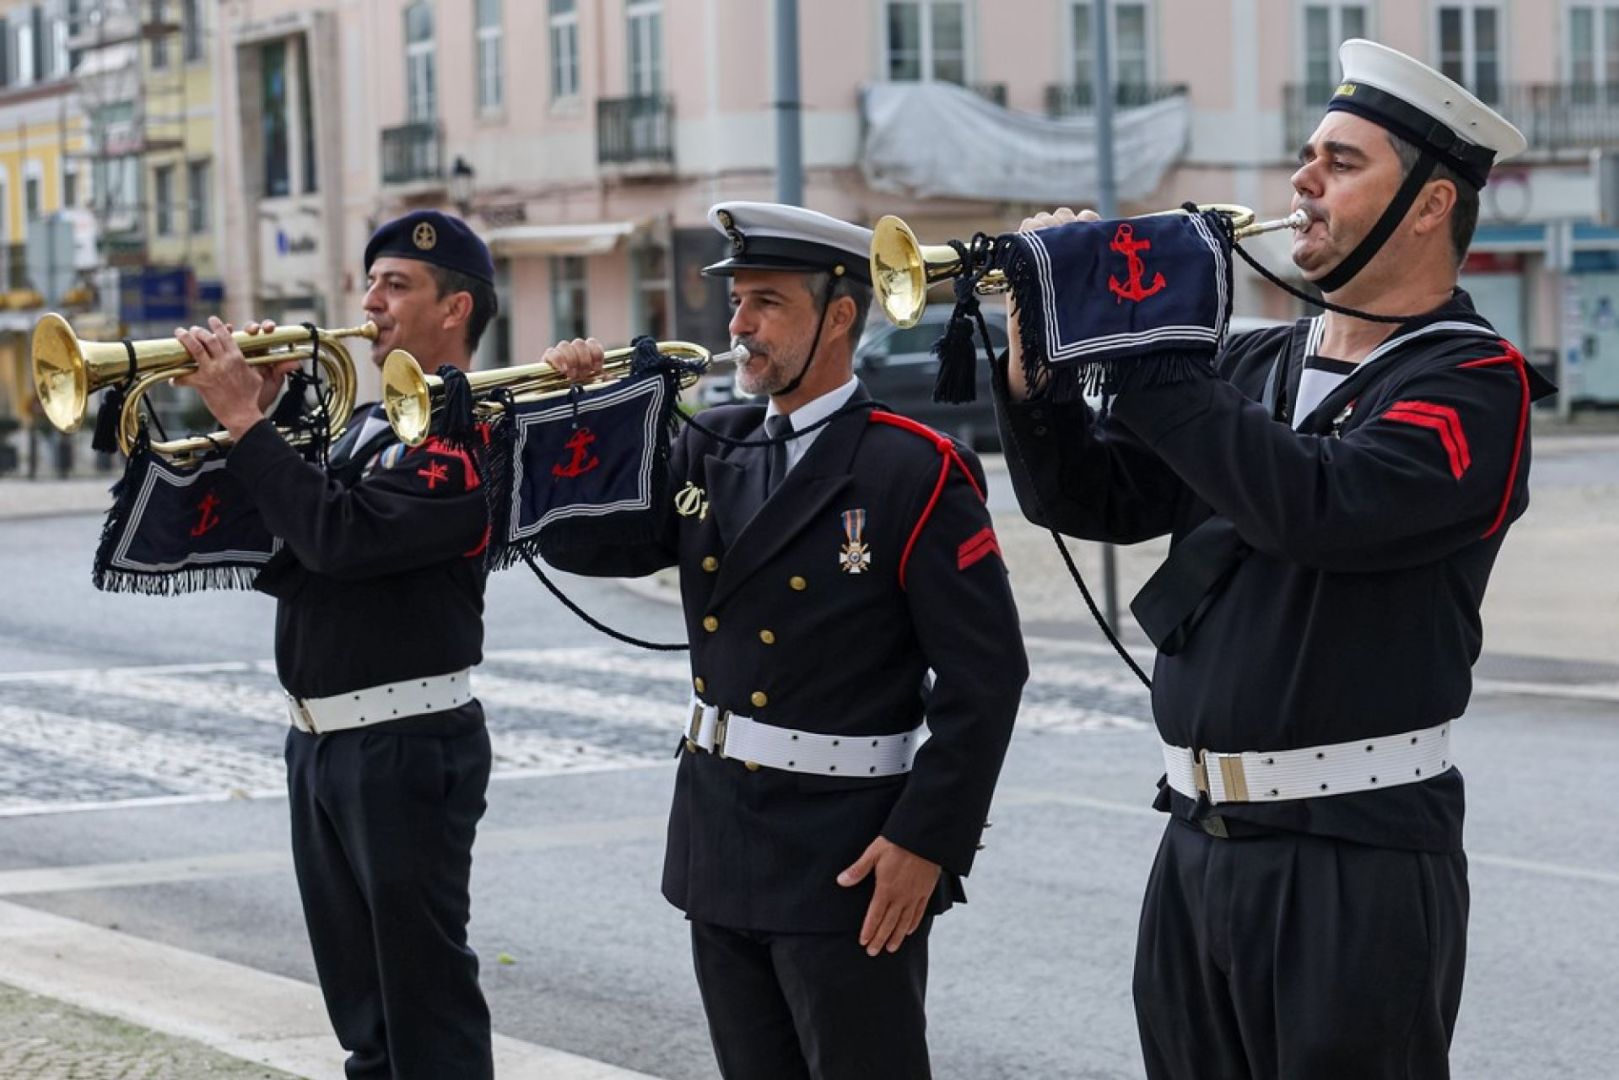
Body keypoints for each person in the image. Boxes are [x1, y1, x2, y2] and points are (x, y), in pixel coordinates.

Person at [994, 40, 1554, 1080]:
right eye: (1305, 156)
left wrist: (1141, 341)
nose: (1301, 182)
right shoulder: (1252, 360)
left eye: (1339, 162)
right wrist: (1039, 368)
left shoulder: (1474, 382)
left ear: (1430, 205)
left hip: (1353, 855)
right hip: (1193, 842)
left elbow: (1317, 507)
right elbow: (1096, 499)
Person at [543, 201, 1026, 1080]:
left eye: (766, 303)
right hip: (720, 831)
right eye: (737, 303)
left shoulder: (911, 468)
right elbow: (592, 545)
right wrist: (580, 416)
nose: (738, 326)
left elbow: (985, 678)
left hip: (846, 849)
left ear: (838, 316)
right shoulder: (713, 443)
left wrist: (926, 841)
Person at [173, 210, 500, 1080]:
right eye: (372, 283)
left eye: (397, 286)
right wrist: (264, 410)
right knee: (364, 1013)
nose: (370, 303)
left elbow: (341, 541)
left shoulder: (466, 430)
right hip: (323, 741)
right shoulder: (366, 422)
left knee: (424, 1005)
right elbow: (284, 542)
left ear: (455, 309)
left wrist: (246, 424)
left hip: (404, 742)